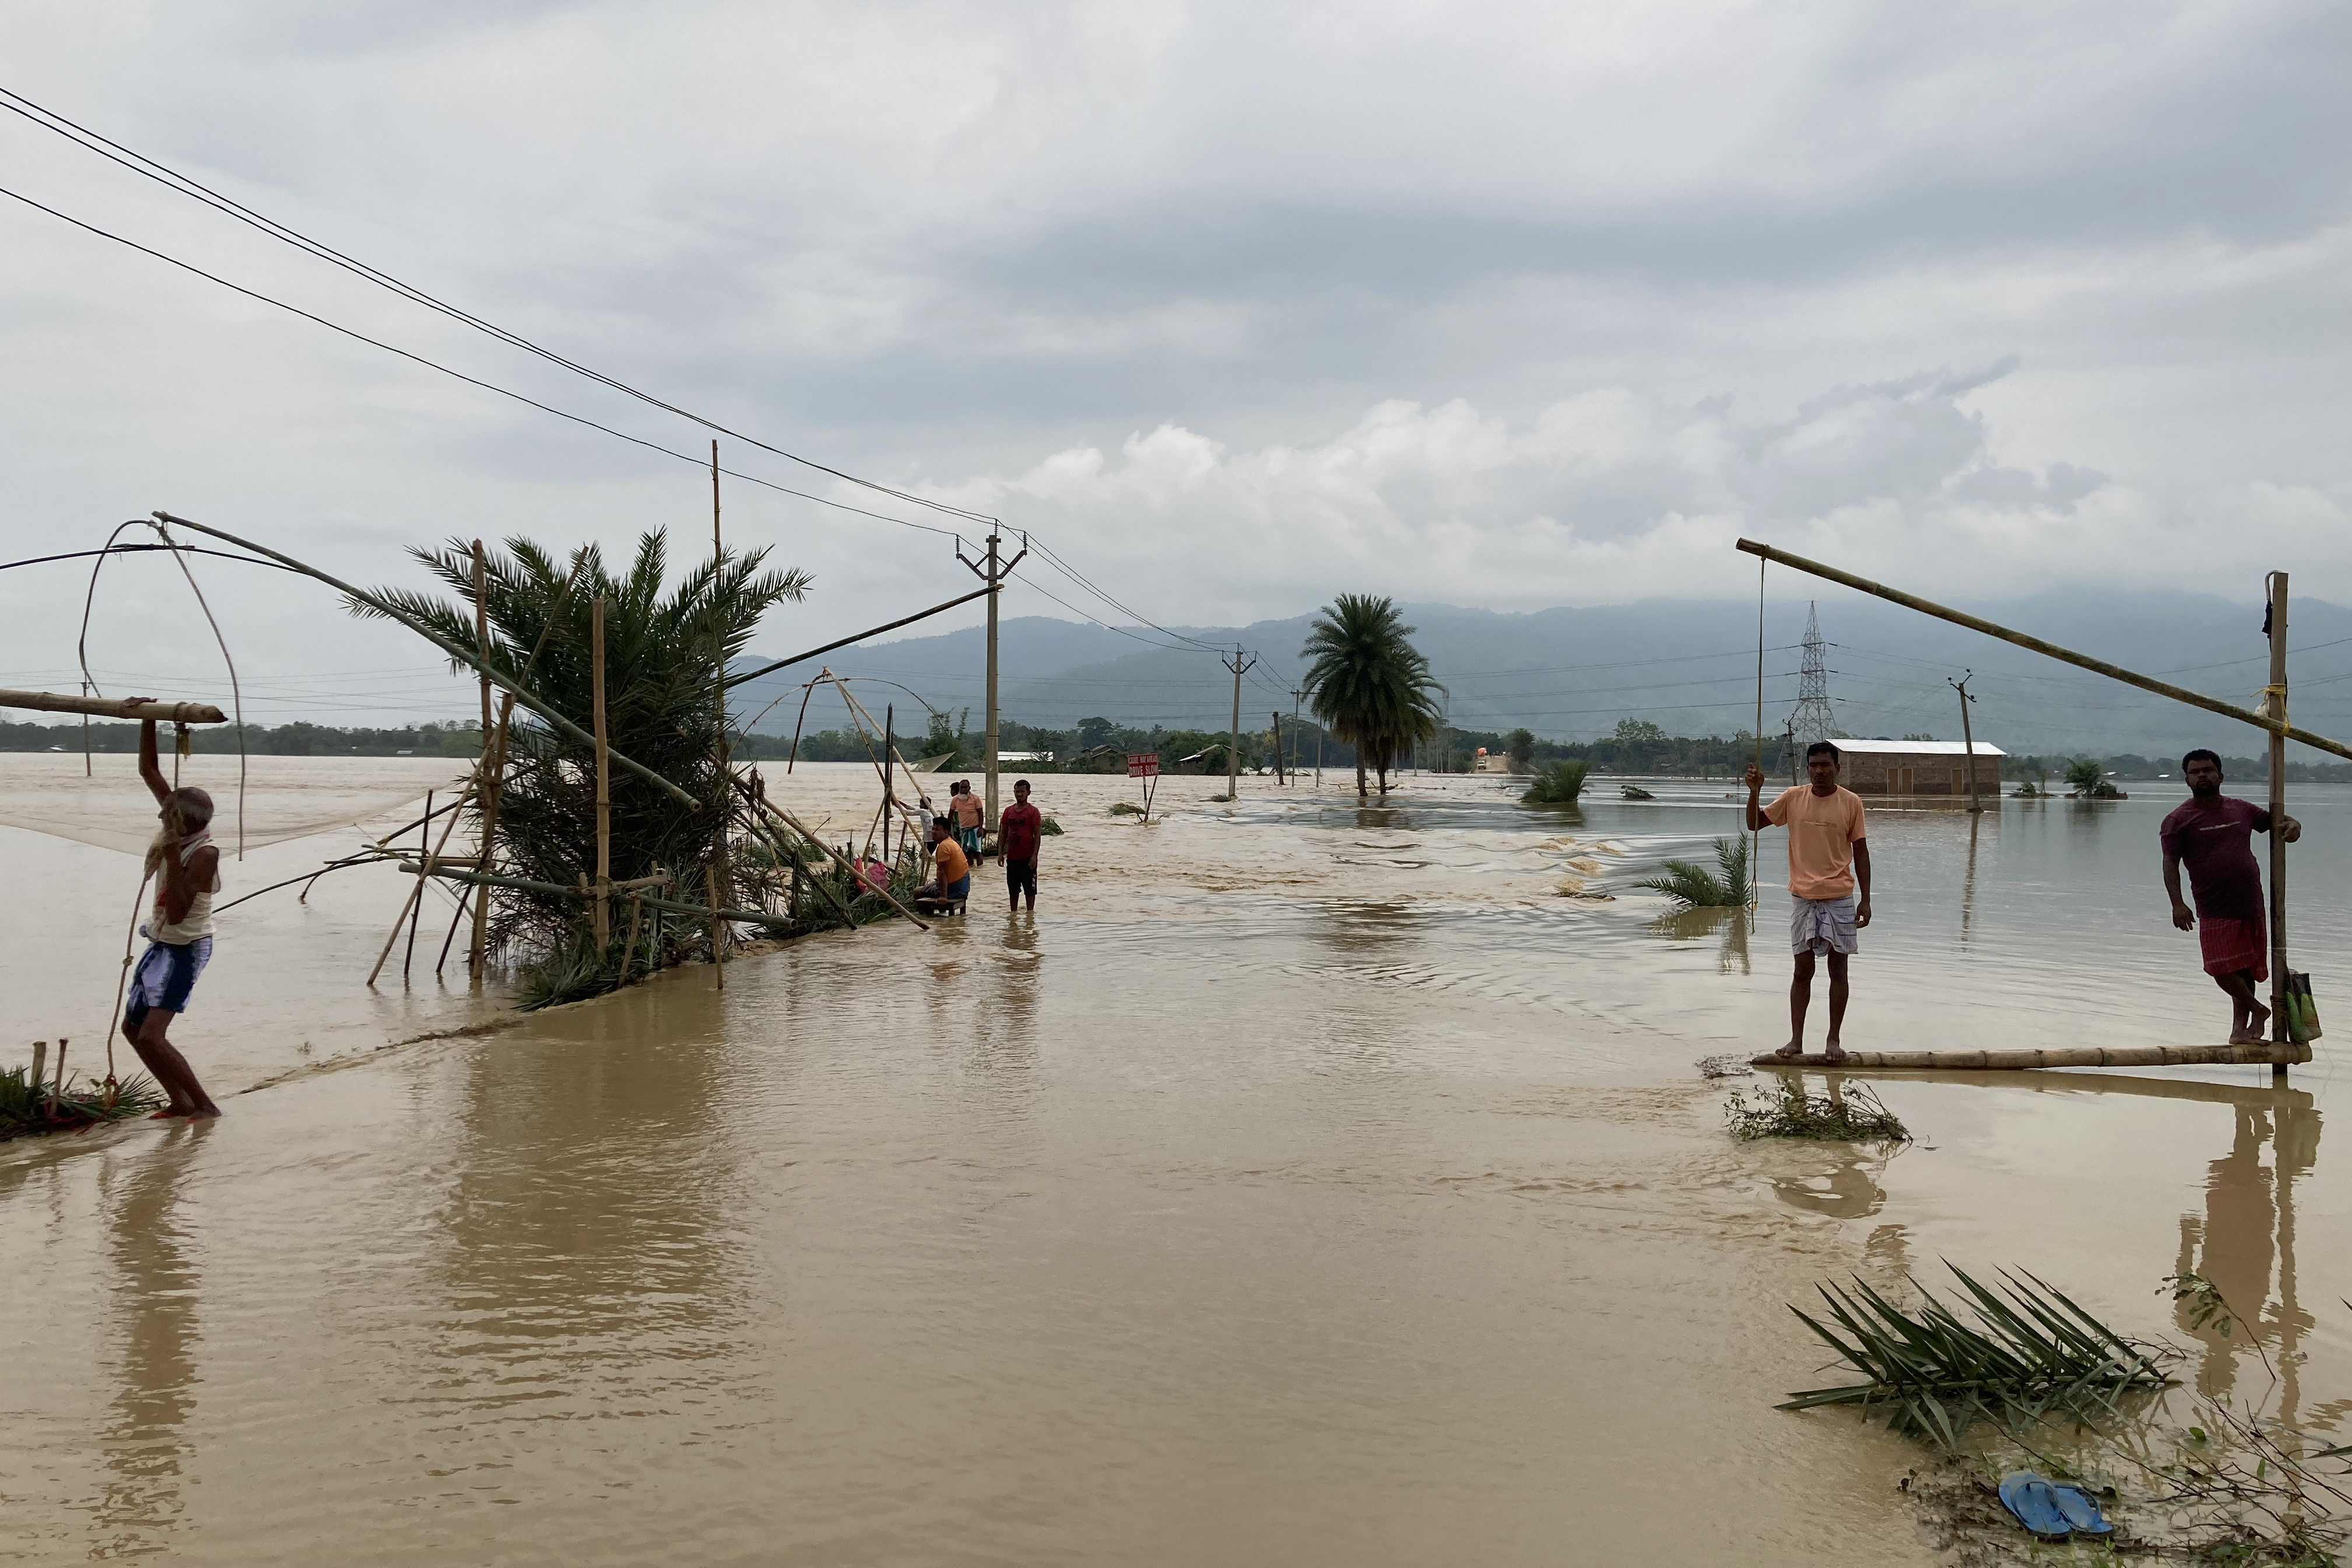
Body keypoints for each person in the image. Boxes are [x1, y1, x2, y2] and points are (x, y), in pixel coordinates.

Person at [121, 703, 225, 1118]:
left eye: (167, 815)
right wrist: (148, 717)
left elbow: (180, 913)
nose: (160, 815)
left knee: (152, 1036)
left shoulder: (204, 853)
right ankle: (178, 1101)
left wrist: (171, 858)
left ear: (184, 821)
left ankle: (204, 1107)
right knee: (132, 1030)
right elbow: (148, 770)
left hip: (186, 947)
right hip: (162, 942)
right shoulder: (176, 828)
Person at [2161, 748, 2300, 1043]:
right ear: (2186, 780)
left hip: (2250, 901)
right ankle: (2259, 1010)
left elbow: (2276, 821)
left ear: (2220, 776)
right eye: (2196, 772)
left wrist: (2293, 825)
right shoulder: (2178, 820)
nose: (2203, 776)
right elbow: (2170, 862)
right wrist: (2177, 903)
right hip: (2212, 905)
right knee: (2219, 967)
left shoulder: (2241, 810)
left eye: (2208, 770)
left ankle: (2239, 1031)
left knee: (2244, 968)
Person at [1745, 741, 1872, 1062]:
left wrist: (1866, 900)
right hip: (1802, 897)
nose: (1819, 771)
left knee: (1838, 969)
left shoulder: (1851, 802)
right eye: (1814, 765)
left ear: (1837, 769)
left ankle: (1833, 1040)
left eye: (1825, 765)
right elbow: (1754, 824)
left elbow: (1861, 853)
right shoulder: (1792, 798)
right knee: (1802, 969)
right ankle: (1796, 1040)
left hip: (1840, 896)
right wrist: (1754, 791)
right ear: (1807, 769)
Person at [998, 778, 1044, 913]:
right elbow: (1003, 834)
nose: (1019, 794)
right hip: (1012, 859)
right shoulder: (1008, 811)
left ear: (1028, 793)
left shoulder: (1033, 812)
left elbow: (1037, 835)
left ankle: (1030, 916)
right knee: (1013, 890)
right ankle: (1014, 916)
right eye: (1017, 791)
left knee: (1030, 891)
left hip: (1028, 858)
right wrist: (1000, 854)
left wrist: (1035, 856)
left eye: (1022, 792)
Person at [914, 816, 972, 912]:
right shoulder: (952, 843)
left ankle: (927, 918)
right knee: (930, 886)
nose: (933, 832)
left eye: (937, 830)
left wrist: (944, 897)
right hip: (963, 887)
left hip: (954, 890)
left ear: (946, 832)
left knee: (917, 891)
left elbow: (943, 872)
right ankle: (942, 918)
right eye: (933, 829)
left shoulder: (944, 847)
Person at [950, 778, 985, 862]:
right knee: (966, 851)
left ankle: (980, 868)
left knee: (977, 851)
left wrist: (980, 829)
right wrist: (948, 830)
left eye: (965, 788)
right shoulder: (955, 800)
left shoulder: (975, 799)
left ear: (969, 788)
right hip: (963, 829)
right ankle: (972, 869)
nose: (963, 790)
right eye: (961, 788)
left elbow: (981, 814)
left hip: (975, 829)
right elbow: (950, 815)